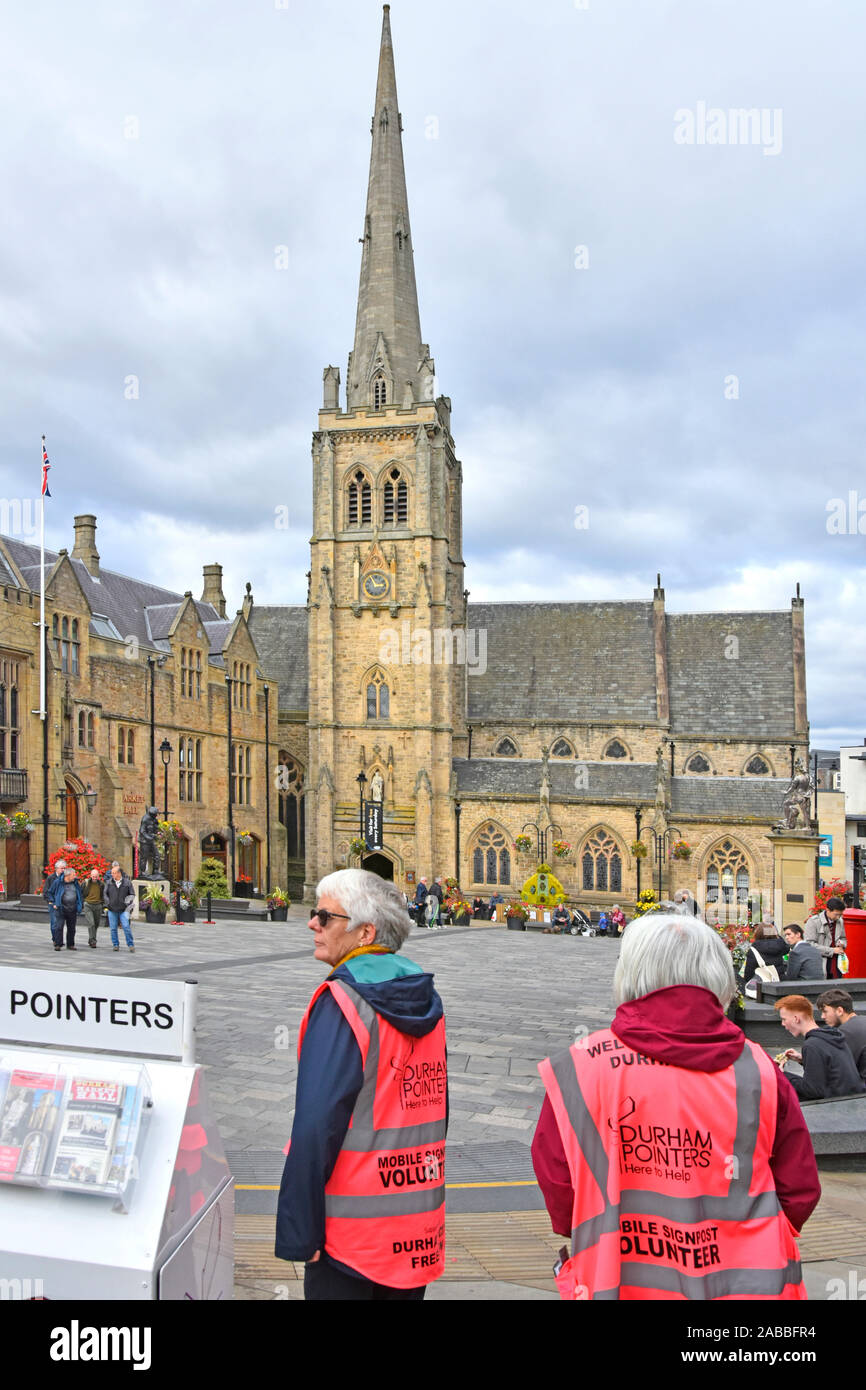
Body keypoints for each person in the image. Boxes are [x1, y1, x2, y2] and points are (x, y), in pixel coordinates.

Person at [532, 913, 819, 1300]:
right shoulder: (759, 1068)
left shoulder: (582, 1064)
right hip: (751, 1283)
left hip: (620, 1277)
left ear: (631, 972)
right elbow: (799, 1186)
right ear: (718, 974)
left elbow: (558, 1178)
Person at [275, 869, 447, 1300]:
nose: (312, 923)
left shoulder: (343, 1001)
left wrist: (300, 1229)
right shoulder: (426, 997)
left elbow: (316, 1122)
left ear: (364, 932)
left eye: (325, 916)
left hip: (350, 1238)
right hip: (416, 1229)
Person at [775, 995, 866, 1101]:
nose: (783, 1024)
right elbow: (833, 1068)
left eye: (784, 1019)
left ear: (796, 1019)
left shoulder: (812, 1045)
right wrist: (803, 1060)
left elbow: (813, 1090)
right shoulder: (832, 1035)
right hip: (853, 1101)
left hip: (836, 1107)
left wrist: (782, 1075)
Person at [817, 989, 866, 1082]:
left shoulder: (843, 1033)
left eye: (825, 1011)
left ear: (840, 1010)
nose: (822, 1016)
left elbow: (835, 1068)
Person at [803, 897, 847, 980]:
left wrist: (842, 944)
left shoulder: (840, 921)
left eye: (840, 915)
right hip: (820, 964)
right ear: (827, 910)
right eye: (836, 914)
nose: (838, 917)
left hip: (837, 964)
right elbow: (809, 945)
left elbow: (843, 938)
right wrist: (832, 950)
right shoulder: (813, 922)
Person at [742, 922, 788, 988]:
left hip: (762, 987)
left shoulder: (754, 949)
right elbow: (786, 948)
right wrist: (777, 936)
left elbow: (748, 975)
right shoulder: (780, 946)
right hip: (780, 984)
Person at [103, 862, 136, 952]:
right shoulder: (109, 882)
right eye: (112, 873)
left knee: (126, 927)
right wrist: (108, 903)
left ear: (118, 873)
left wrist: (127, 904)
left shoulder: (127, 882)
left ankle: (130, 944)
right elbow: (105, 894)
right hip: (112, 909)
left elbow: (132, 894)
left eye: (113, 873)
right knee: (113, 928)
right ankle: (115, 944)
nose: (112, 875)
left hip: (124, 909)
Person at [50, 867, 83, 951]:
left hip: (72, 908)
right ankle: (58, 944)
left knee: (72, 928)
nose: (75, 876)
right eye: (73, 875)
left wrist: (79, 904)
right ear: (67, 875)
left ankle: (70, 944)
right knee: (59, 927)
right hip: (61, 908)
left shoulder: (75, 883)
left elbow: (79, 893)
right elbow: (50, 893)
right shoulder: (58, 882)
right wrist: (53, 903)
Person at [42, 858, 67, 947]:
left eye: (64, 868)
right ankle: (55, 939)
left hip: (63, 904)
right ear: (56, 868)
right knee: (54, 922)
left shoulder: (66, 878)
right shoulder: (51, 878)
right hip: (53, 904)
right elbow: (46, 891)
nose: (63, 870)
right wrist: (51, 901)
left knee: (61, 923)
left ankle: (59, 939)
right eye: (62, 868)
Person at [82, 868, 104, 949]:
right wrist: (82, 904)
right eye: (93, 876)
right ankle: (93, 941)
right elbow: (81, 893)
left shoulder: (101, 884)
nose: (94, 878)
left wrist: (103, 905)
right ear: (90, 876)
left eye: (96, 876)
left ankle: (91, 938)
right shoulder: (86, 883)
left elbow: (103, 895)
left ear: (98, 876)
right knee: (91, 923)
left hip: (98, 905)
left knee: (96, 924)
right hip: (88, 904)